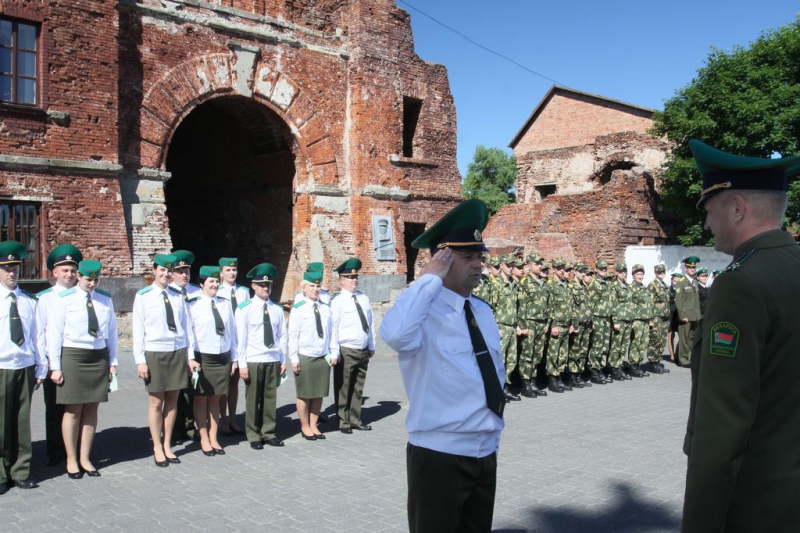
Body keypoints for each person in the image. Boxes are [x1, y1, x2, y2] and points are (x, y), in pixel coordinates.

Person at [682, 139, 800, 531]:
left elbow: (722, 432)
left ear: (736, 208)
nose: (706, 224)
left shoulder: (741, 284)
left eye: (709, 210)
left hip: (756, 504)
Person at [380, 199, 505, 533]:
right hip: (439, 455)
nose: (478, 265)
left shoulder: (482, 311)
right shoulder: (423, 312)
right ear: (442, 260)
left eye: (479, 257)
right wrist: (426, 280)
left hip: (485, 450)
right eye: (467, 258)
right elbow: (394, 335)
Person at [46, 260, 118, 478]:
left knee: (91, 409)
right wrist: (55, 366)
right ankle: (71, 458)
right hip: (73, 356)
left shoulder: (105, 300)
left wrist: (113, 363)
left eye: (96, 279)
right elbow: (54, 334)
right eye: (88, 279)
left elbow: (113, 334)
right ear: (79, 276)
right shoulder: (64, 299)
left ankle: (86, 457)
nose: (92, 283)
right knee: (73, 410)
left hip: (98, 357)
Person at [132, 253, 198, 467]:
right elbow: (138, 330)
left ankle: (167, 444)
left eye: (169, 271)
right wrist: (140, 360)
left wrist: (190, 358)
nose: (166, 274)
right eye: (162, 270)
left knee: (172, 401)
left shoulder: (179, 296)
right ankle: (157, 447)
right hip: (155, 352)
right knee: (156, 402)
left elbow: (187, 329)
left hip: (177, 352)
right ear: (154, 271)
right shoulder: (143, 296)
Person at [0, 241, 46, 493]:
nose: (11, 273)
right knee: (0, 423)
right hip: (1, 367)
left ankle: (20, 470)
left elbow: (37, 336)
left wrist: (41, 367)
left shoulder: (29, 301)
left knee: (21, 422)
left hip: (24, 367)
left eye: (15, 268)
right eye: (6, 268)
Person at [36, 243, 83, 467]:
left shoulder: (82, 295)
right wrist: (45, 363)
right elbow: (40, 332)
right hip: (53, 359)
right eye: (64, 270)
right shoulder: (45, 298)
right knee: (55, 407)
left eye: (73, 270)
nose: (69, 274)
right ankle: (55, 451)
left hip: (77, 359)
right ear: (54, 273)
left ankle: (77, 449)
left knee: (77, 406)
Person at [235, 263, 287, 449]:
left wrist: (282, 359)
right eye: (261, 285)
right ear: (253, 286)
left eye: (268, 285)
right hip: (254, 359)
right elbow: (240, 339)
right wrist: (242, 364)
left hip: (272, 358)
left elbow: (282, 335)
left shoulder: (277, 309)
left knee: (269, 398)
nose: (266, 288)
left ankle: (269, 432)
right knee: (253, 399)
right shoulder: (244, 308)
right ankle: (253, 434)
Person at [187, 266, 237, 456]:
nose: (215, 284)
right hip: (203, 356)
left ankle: (214, 437)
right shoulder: (193, 304)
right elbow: (189, 334)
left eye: (217, 281)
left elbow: (233, 332)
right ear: (202, 284)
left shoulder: (224, 303)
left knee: (216, 399)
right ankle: (204, 438)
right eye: (211, 282)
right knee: (201, 399)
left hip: (222, 357)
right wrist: (191, 357)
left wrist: (234, 357)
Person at [288, 269, 338, 440]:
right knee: (305, 393)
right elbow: (293, 335)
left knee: (318, 392)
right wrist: (294, 358)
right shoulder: (299, 308)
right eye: (312, 286)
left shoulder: (325, 308)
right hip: (306, 355)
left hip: (322, 356)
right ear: (304, 288)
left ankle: (314, 424)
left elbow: (332, 332)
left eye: (318, 286)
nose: (316, 289)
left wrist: (334, 352)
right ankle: (304, 426)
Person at [330, 258, 376, 433]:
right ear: (342, 280)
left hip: (363, 347)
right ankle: (343, 420)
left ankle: (355, 418)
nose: (354, 280)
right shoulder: (338, 301)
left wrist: (371, 344)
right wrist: (335, 352)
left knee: (358, 386)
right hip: (346, 348)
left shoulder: (363, 298)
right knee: (344, 386)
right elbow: (333, 328)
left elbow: (370, 323)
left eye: (355, 277)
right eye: (350, 278)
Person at [169, 250, 200, 445]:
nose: (184, 275)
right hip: (176, 348)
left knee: (192, 391)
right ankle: (174, 430)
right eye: (180, 271)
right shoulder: (169, 292)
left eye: (186, 270)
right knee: (174, 391)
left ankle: (190, 427)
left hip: (195, 347)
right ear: (172, 273)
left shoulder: (197, 292)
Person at [217, 257, 249, 436]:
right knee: (223, 383)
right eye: (228, 270)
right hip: (224, 340)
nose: (231, 273)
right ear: (221, 273)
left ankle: (232, 418)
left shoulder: (243, 291)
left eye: (234, 270)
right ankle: (222, 419)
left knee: (235, 383)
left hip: (240, 340)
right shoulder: (217, 289)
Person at [544, 258, 573, 392]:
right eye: (559, 268)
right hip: (557, 325)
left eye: (563, 268)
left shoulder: (566, 284)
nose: (562, 270)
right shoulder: (550, 285)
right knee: (553, 353)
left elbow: (569, 306)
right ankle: (552, 379)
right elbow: (550, 306)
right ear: (554, 269)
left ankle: (560, 377)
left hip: (566, 324)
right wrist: (553, 324)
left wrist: (572, 323)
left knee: (563, 353)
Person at [587, 259, 613, 385]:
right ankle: (594, 370)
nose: (603, 270)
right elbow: (591, 303)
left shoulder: (607, 283)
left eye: (605, 268)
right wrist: (591, 321)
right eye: (601, 268)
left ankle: (602, 368)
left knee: (605, 346)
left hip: (607, 318)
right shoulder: (594, 283)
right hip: (597, 318)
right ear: (596, 269)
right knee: (597, 346)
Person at [674, 256, 701, 368]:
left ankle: (689, 357)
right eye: (690, 268)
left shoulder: (694, 282)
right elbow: (678, 301)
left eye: (694, 268)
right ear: (685, 268)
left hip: (694, 315)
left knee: (691, 338)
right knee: (684, 339)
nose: (692, 269)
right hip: (685, 315)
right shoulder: (681, 282)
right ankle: (683, 359)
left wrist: (698, 315)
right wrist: (682, 315)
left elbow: (696, 301)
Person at [609, 262, 633, 381]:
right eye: (621, 272)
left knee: (624, 346)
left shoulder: (627, 286)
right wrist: (616, 321)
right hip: (620, 320)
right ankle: (614, 367)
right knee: (616, 346)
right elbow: (613, 305)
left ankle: (619, 365)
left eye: (625, 271)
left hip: (628, 320)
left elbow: (630, 304)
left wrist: (632, 318)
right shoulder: (614, 287)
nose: (623, 274)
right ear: (616, 273)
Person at [628, 264, 652, 378]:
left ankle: (639, 364)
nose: (640, 276)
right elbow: (630, 305)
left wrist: (650, 319)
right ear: (633, 275)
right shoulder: (631, 288)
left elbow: (649, 304)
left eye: (641, 274)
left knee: (643, 343)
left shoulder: (644, 287)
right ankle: (633, 365)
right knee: (635, 343)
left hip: (645, 320)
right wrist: (632, 320)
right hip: (637, 320)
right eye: (637, 274)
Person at [646, 264, 671, 374]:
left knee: (662, 340)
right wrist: (650, 319)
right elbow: (650, 303)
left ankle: (658, 360)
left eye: (663, 272)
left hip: (664, 317)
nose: (661, 274)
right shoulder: (652, 285)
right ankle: (652, 362)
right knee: (655, 339)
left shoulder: (665, 285)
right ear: (655, 273)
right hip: (656, 317)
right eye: (659, 272)